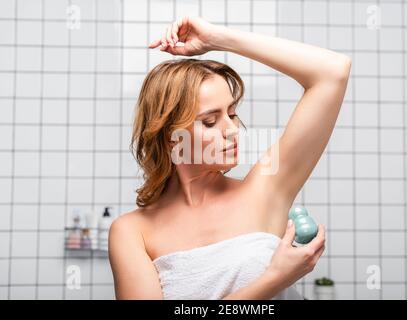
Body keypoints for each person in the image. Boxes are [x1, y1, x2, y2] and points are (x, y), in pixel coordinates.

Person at [109, 15, 351, 300]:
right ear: (170, 136)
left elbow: (333, 72)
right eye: (210, 122)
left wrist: (217, 40)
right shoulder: (132, 232)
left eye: (233, 114)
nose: (232, 130)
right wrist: (274, 280)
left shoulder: (265, 190)